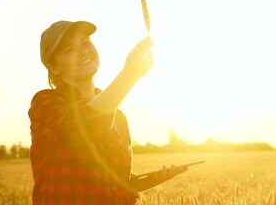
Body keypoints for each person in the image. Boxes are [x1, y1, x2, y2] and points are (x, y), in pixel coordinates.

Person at [28, 20, 187, 204]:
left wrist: (153, 178)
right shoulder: (45, 103)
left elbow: (114, 183)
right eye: (69, 49)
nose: (83, 50)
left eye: (86, 43)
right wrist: (129, 75)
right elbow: (80, 126)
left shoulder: (117, 116)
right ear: (53, 66)